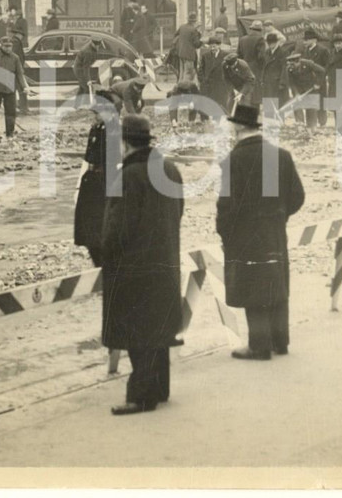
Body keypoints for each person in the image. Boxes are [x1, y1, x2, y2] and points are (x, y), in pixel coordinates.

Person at [101, 114, 183, 414]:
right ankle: (160, 389)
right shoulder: (170, 169)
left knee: (138, 334)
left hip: (134, 268)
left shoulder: (127, 177)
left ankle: (141, 396)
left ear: (124, 143)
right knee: (159, 329)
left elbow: (115, 231)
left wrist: (106, 255)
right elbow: (180, 211)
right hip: (166, 262)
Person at [217, 104, 304, 360]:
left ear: (238, 128)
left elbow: (227, 205)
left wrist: (225, 233)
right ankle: (280, 341)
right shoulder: (282, 155)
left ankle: (259, 345)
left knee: (253, 283)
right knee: (276, 280)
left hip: (245, 233)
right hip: (275, 230)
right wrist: (279, 216)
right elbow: (298, 196)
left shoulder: (233, 160)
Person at [74, 89, 122, 266]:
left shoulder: (114, 130)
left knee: (103, 227)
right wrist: (79, 184)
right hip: (91, 182)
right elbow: (88, 158)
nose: (94, 116)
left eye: (97, 112)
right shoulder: (95, 129)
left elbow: (116, 161)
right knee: (88, 229)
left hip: (105, 182)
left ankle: (106, 263)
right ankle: (98, 261)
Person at [0, 36, 27, 139]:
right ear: (1, 46)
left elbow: (19, 74)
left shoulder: (15, 58)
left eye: (10, 46)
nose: (8, 48)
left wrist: (24, 87)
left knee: (11, 112)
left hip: (10, 89)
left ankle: (9, 133)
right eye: (6, 46)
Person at [197, 33, 230, 117]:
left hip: (220, 85)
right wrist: (202, 80)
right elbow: (200, 69)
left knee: (221, 105)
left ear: (219, 46)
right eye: (211, 46)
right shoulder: (205, 56)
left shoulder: (225, 55)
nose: (212, 48)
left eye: (214, 46)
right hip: (208, 85)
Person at [259, 32, 289, 111]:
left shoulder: (282, 52)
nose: (270, 45)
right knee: (269, 103)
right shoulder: (267, 52)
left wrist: (282, 82)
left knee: (279, 103)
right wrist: (262, 79)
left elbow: (284, 68)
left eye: (272, 43)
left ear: (276, 42)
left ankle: (278, 122)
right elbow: (264, 67)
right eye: (269, 43)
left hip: (277, 81)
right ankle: (270, 121)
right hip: (267, 81)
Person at [237, 19, 265, 90]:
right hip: (255, 68)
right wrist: (262, 67)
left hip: (244, 67)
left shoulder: (242, 39)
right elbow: (261, 56)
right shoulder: (260, 39)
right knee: (255, 89)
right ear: (260, 30)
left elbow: (238, 55)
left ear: (251, 29)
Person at [73, 36, 102, 101]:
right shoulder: (87, 52)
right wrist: (88, 80)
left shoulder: (93, 47)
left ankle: (76, 106)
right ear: (92, 43)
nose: (97, 47)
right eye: (96, 46)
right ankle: (86, 106)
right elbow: (85, 67)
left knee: (82, 88)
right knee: (87, 88)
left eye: (98, 46)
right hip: (80, 70)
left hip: (82, 68)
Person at [176, 12, 202, 82]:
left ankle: (180, 87)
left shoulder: (182, 27)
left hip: (181, 53)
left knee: (182, 73)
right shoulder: (193, 30)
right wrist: (202, 40)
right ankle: (185, 89)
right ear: (195, 21)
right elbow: (197, 44)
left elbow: (176, 35)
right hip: (189, 55)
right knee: (188, 73)